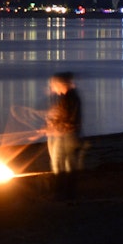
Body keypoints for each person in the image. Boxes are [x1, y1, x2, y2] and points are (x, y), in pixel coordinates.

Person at [45, 71, 82, 199]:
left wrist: (52, 127)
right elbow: (62, 117)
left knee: (61, 165)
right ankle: (66, 193)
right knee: (66, 165)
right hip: (68, 136)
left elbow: (67, 120)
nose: (53, 88)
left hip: (67, 137)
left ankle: (63, 194)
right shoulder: (69, 98)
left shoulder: (70, 99)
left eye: (54, 85)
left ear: (60, 84)